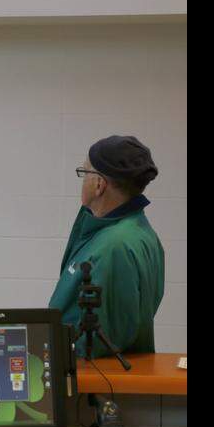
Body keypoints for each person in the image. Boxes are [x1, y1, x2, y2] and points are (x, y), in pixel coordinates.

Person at [49, 135, 165, 358]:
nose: (82, 180)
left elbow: (101, 342)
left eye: (84, 173)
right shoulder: (136, 231)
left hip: (94, 381)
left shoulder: (115, 247)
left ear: (99, 184)